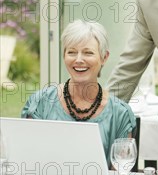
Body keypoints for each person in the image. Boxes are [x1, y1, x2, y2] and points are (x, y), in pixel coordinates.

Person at [21, 20, 136, 165]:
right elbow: (28, 158)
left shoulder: (120, 113)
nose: (79, 59)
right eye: (72, 52)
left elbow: (120, 173)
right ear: (64, 56)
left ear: (104, 57)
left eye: (88, 53)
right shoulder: (41, 103)